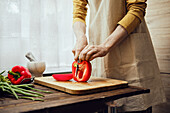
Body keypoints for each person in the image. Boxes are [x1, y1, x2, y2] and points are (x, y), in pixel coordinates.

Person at [72, 0, 166, 113]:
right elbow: (78, 12)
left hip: (130, 47)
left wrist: (106, 46)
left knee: (135, 103)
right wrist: (80, 36)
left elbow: (137, 8)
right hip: (99, 43)